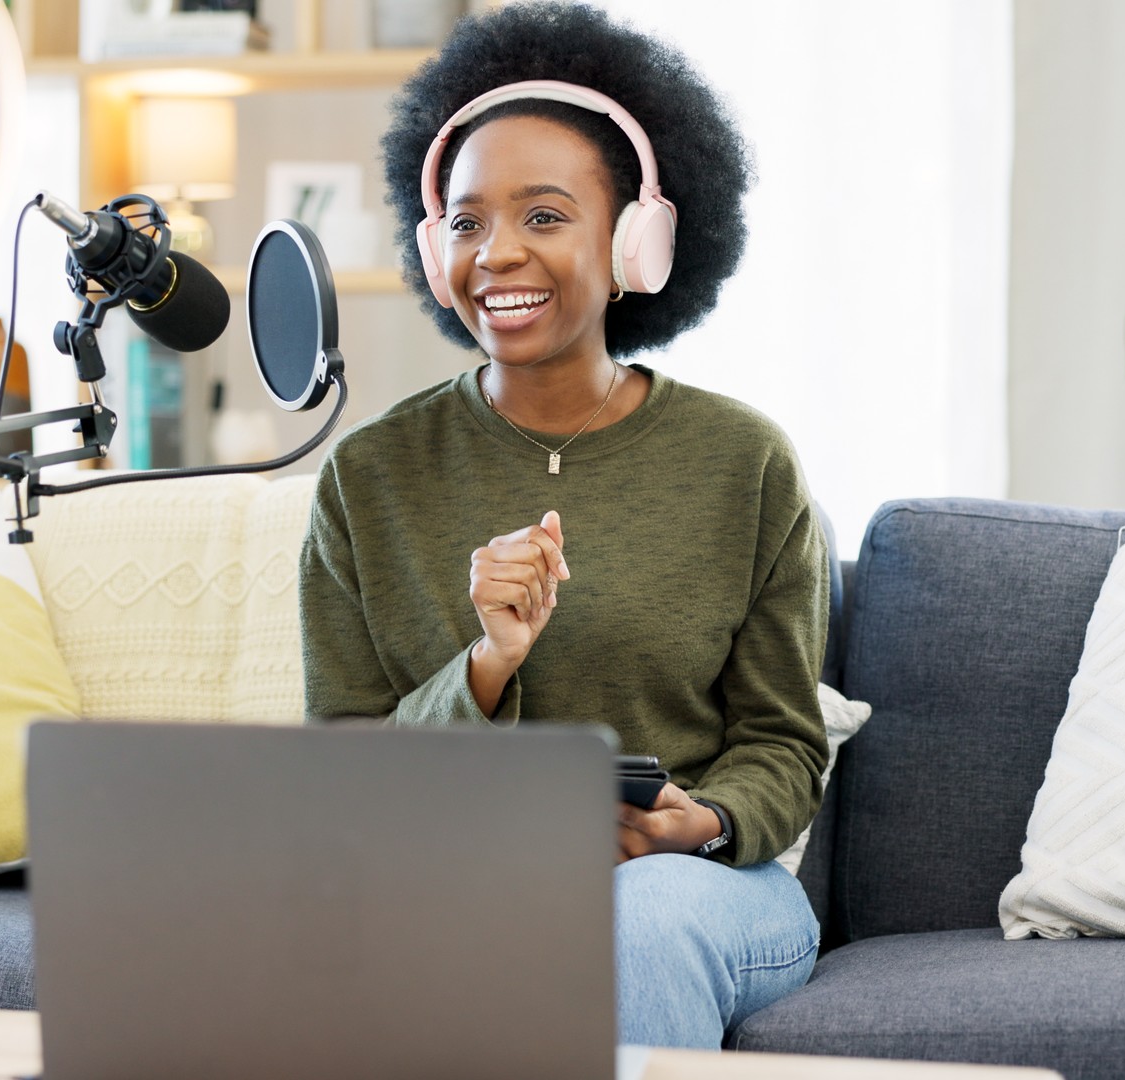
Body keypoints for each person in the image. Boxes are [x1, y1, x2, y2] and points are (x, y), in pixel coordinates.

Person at [297, 1, 829, 1049]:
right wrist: (485, 667)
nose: (497, 253)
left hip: (687, 894)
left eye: (544, 216)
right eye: (466, 220)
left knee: (629, 925)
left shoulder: (744, 463)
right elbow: (347, 775)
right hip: (455, 881)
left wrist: (706, 822)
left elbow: (781, 743)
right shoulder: (369, 476)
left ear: (638, 239)